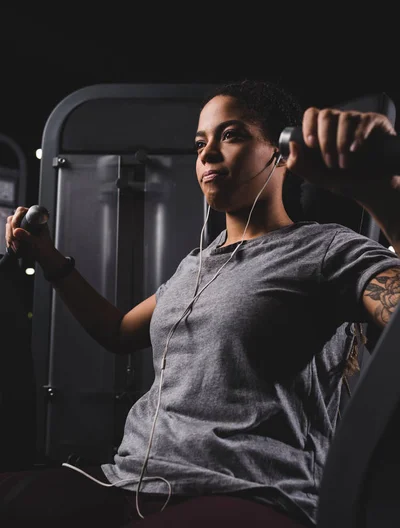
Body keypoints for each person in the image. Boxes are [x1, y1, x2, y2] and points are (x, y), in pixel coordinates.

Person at [1, 80, 400, 528]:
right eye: (199, 143)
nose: (207, 153)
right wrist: (49, 259)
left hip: (253, 489)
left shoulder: (325, 249)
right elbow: (116, 332)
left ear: (282, 152)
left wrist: (380, 194)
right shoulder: (195, 264)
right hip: (133, 480)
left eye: (231, 135)